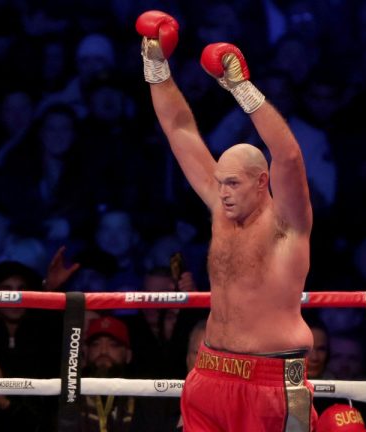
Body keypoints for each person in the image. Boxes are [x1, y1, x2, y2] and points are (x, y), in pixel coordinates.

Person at [136, 10, 316, 431]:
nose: (223, 192)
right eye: (220, 183)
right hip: (211, 370)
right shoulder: (221, 207)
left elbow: (289, 155)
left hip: (271, 379)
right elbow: (179, 129)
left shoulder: (288, 224)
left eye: (233, 183)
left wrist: (241, 89)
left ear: (262, 182)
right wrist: (156, 65)